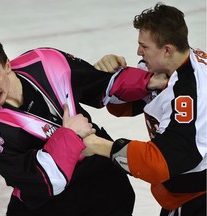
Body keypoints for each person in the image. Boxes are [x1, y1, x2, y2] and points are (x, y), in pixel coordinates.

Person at [0, 35, 166, 216]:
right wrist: (70, 135)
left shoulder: (46, 62)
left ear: (7, 65)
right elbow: (41, 181)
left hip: (103, 187)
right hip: (48, 206)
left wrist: (145, 81)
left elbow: (100, 84)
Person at [83, 3, 206, 216]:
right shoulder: (168, 67)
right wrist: (111, 77)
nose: (138, 52)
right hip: (182, 192)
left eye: (144, 46)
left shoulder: (192, 96)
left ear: (167, 49)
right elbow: (124, 106)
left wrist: (102, 146)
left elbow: (160, 163)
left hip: (198, 197)